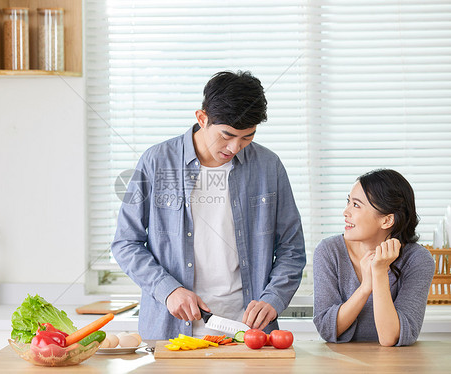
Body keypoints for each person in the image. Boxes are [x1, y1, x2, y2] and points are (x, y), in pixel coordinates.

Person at [111, 71, 306, 339]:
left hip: (248, 333)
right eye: (226, 135)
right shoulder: (157, 162)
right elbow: (125, 243)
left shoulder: (268, 166)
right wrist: (167, 289)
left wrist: (274, 297)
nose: (235, 146)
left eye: (247, 137)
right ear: (202, 119)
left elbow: (292, 249)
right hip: (171, 331)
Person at [313, 169, 435, 346]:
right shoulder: (329, 251)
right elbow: (326, 329)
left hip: (395, 366)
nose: (345, 212)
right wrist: (365, 287)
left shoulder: (418, 260)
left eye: (356, 205)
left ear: (386, 221)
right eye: (348, 202)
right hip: (339, 363)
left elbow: (390, 337)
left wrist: (378, 274)